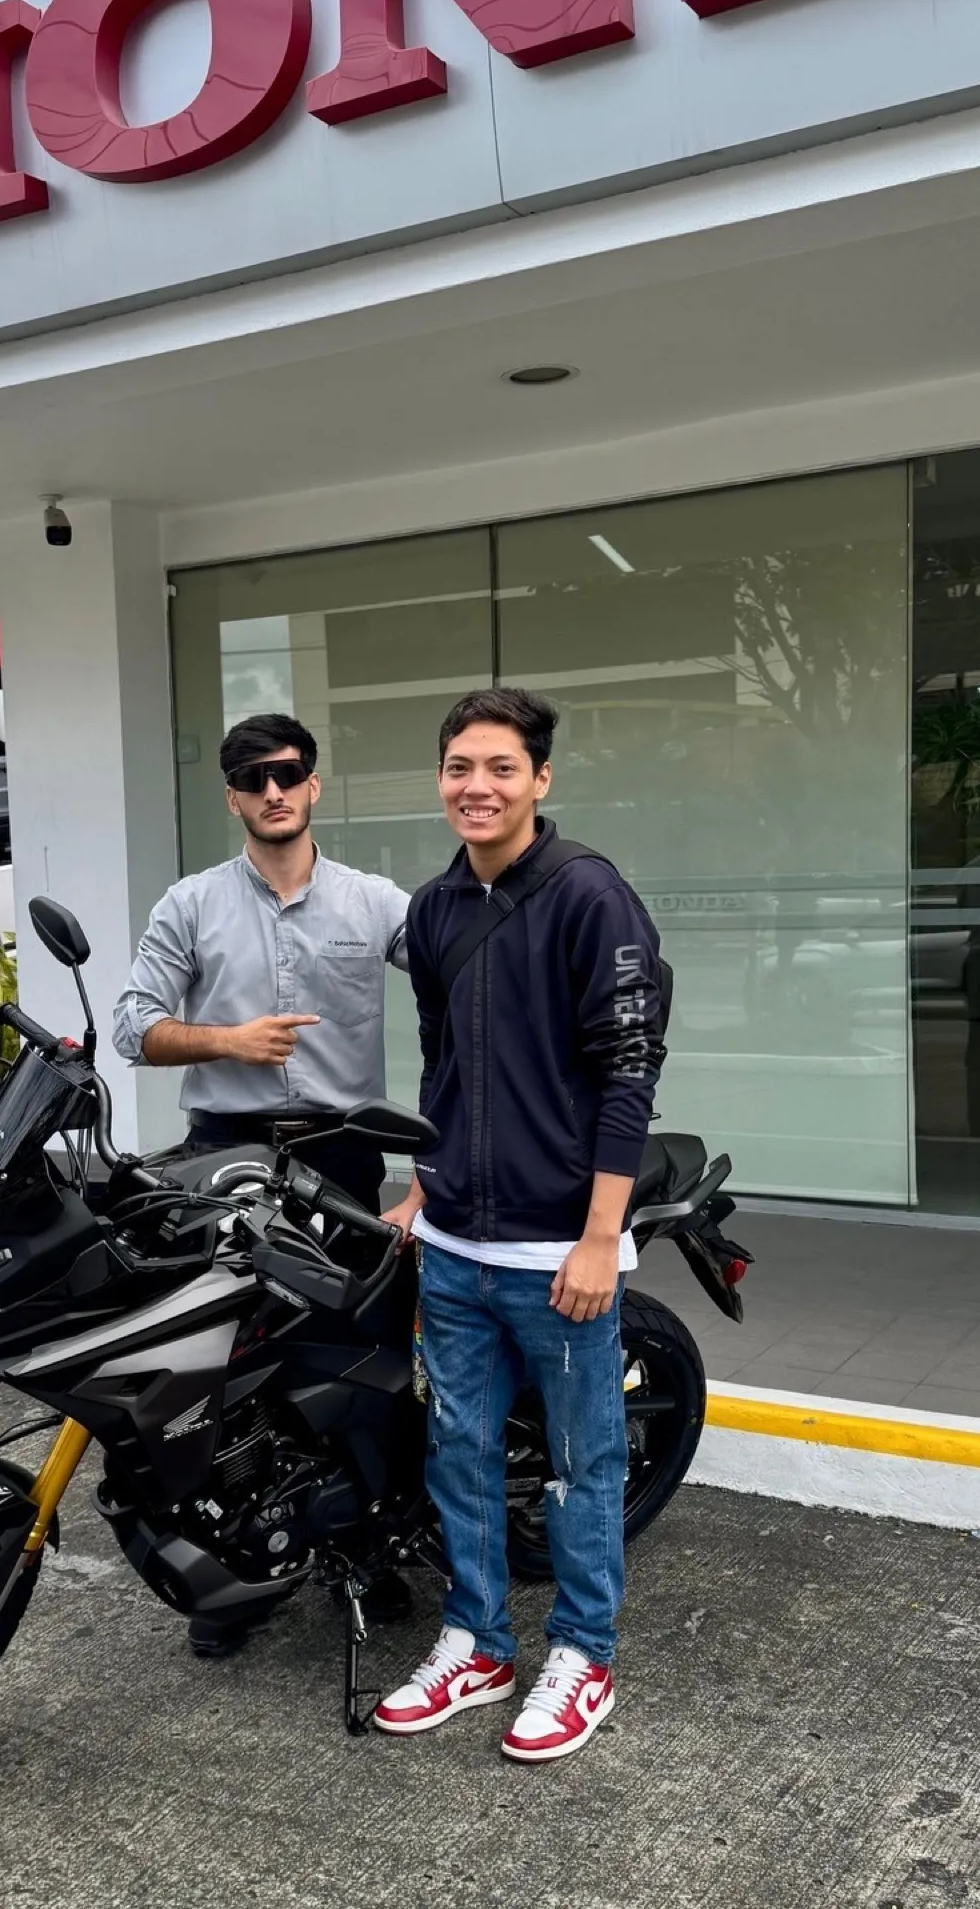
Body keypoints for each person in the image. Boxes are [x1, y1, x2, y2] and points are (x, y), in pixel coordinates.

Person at [376, 687, 666, 1763]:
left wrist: (600, 1238)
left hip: (558, 1252)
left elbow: (628, 1073)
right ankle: (478, 1644)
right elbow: (441, 1063)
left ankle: (584, 1653)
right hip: (455, 1245)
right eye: (460, 766)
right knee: (458, 1454)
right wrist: (424, 1184)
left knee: (583, 1466)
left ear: (540, 778)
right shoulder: (432, 910)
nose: (478, 786)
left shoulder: (591, 895)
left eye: (501, 767)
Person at [113, 711, 413, 1655]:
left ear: (313, 784)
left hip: (342, 1157)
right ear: (233, 796)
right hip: (225, 1158)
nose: (273, 791)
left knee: (360, 1356)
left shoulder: (375, 904)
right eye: (253, 779)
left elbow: (464, 967)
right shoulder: (191, 904)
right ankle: (230, 1584)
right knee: (220, 1367)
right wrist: (228, 1041)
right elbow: (132, 1026)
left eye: (287, 774)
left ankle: (367, 1546)